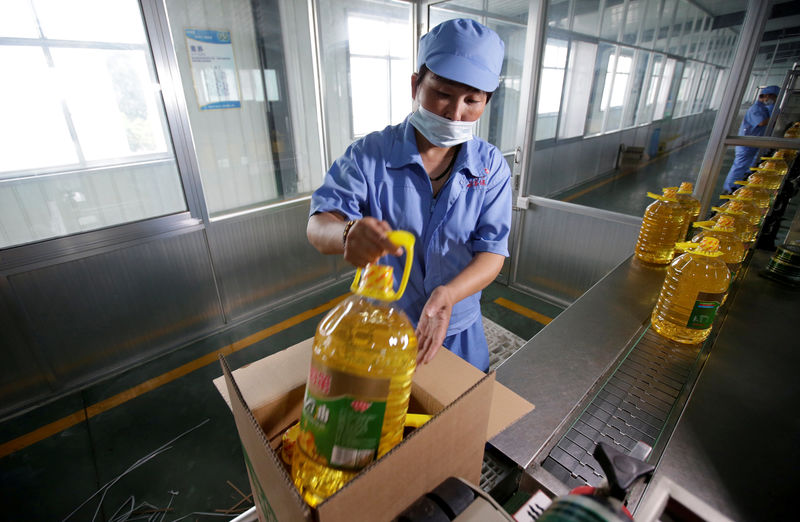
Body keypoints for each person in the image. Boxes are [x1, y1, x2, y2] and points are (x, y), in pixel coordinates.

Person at [306, 19, 511, 372]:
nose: (455, 112)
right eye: (443, 93)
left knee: (460, 417)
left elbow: (492, 253)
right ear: (416, 85)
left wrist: (448, 295)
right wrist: (345, 234)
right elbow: (319, 224)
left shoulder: (490, 168)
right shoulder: (370, 155)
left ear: (486, 101)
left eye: (472, 100)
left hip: (456, 326)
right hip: (383, 325)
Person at [722, 85, 780, 193]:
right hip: (746, 145)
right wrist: (775, 114)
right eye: (774, 98)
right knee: (739, 166)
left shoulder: (763, 108)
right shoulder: (756, 109)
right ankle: (728, 190)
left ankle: (739, 187)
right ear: (767, 96)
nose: (775, 101)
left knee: (747, 167)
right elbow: (762, 122)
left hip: (753, 144)